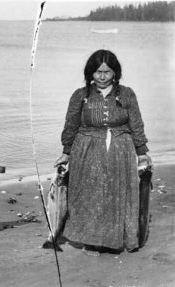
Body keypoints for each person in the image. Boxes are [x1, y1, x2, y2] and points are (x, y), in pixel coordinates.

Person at [54, 49, 152, 255]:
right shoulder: (80, 96)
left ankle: (114, 240)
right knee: (89, 194)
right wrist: (66, 152)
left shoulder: (127, 94)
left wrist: (141, 152)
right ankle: (90, 240)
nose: (102, 76)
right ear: (90, 73)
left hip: (120, 149)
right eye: (98, 72)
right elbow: (71, 125)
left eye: (107, 72)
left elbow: (136, 124)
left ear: (115, 73)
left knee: (116, 194)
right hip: (86, 150)